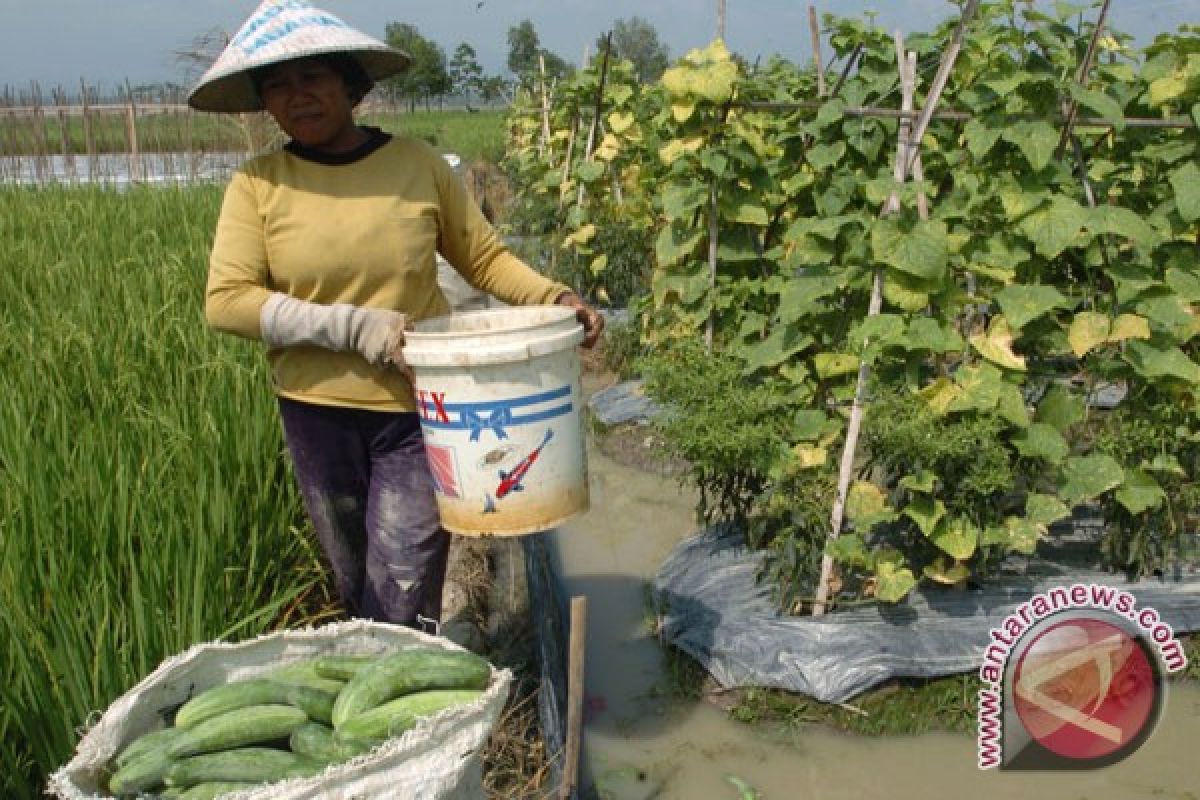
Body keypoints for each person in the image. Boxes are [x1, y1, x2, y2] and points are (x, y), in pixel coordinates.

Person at [190, 0, 603, 630]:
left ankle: (417, 698)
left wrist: (554, 298)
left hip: (418, 411)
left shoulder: (416, 166)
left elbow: (484, 260)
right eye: (277, 85)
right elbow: (228, 301)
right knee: (357, 583)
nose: (297, 96)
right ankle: (393, 702)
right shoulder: (258, 185)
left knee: (402, 588)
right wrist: (358, 328)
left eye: (313, 78)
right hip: (315, 415)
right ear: (264, 103)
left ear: (350, 85)